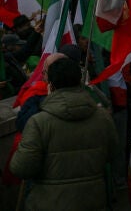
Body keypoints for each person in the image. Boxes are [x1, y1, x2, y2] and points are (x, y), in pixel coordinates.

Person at [10, 56, 117, 211]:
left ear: (50, 85)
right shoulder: (102, 117)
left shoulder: (39, 122)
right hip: (92, 200)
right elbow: (112, 154)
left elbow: (21, 167)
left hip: (49, 202)